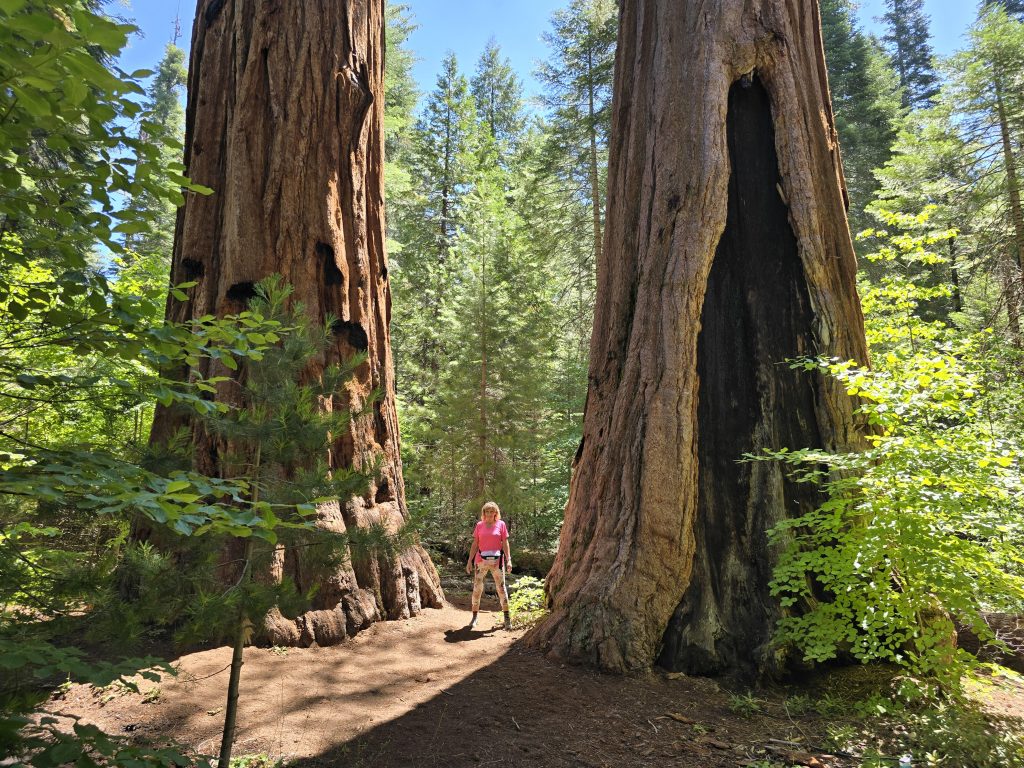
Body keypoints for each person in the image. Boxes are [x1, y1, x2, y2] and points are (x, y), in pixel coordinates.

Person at [465, 501, 512, 630]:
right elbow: (475, 544)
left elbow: (505, 544)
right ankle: (474, 617)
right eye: (487, 511)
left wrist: (509, 560)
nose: (490, 514)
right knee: (477, 589)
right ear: (484, 513)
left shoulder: (501, 525)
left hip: (497, 562)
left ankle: (507, 618)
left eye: (492, 511)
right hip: (480, 561)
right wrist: (469, 560)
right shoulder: (479, 525)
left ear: (496, 513)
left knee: (501, 589)